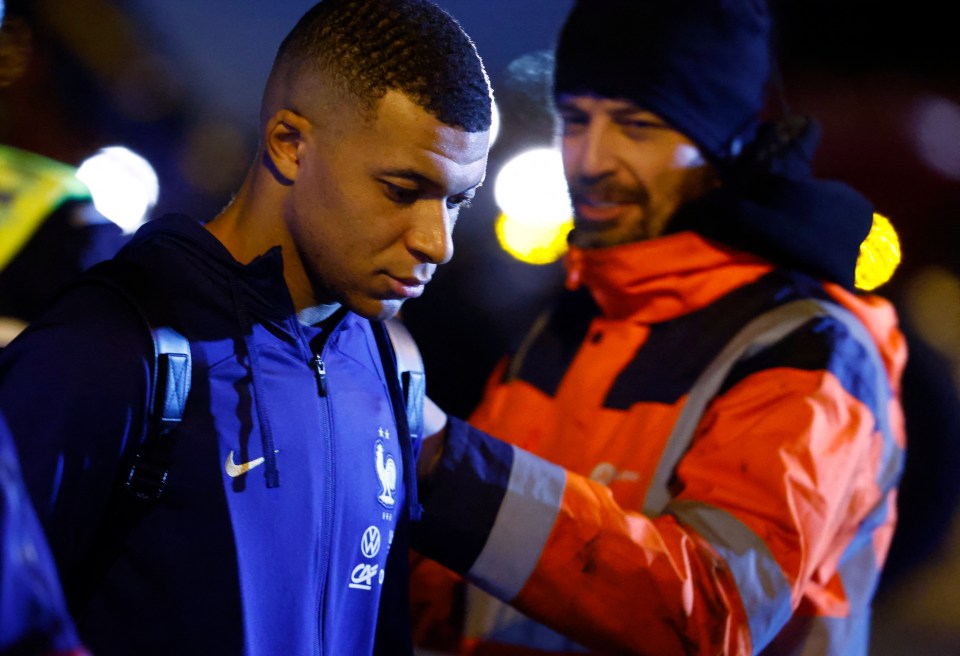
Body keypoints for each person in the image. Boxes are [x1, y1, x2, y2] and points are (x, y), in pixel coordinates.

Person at [408, 1, 907, 654]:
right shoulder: (575, 318)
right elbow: (462, 588)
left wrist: (447, 465)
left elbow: (715, 612)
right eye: (577, 119)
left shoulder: (807, 344)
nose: (590, 160)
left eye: (637, 126)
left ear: (720, 143)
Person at [0, 0, 491, 654]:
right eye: (403, 189)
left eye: (458, 201)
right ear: (290, 144)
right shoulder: (113, 348)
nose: (438, 242)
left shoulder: (391, 367)